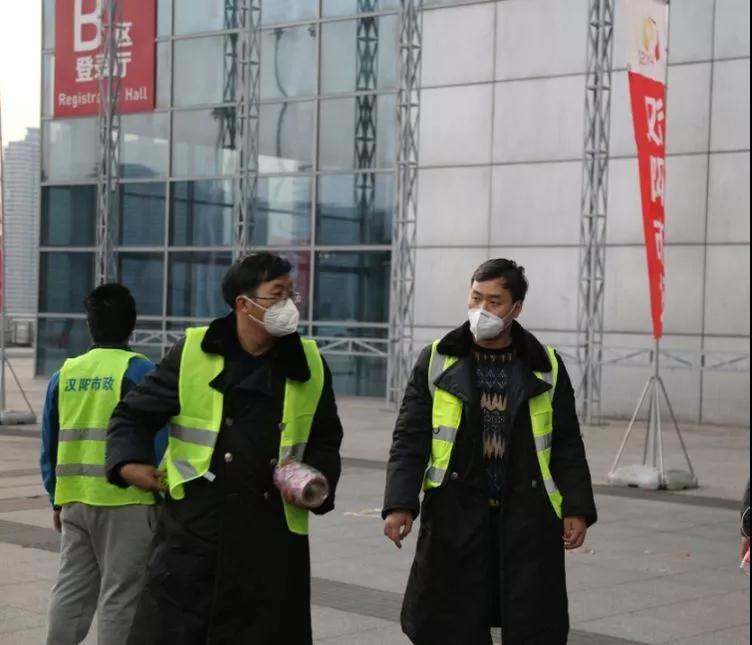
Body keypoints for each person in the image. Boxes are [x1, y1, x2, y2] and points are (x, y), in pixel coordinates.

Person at [106, 252, 344, 645]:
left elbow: (325, 439)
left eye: (291, 294)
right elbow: (132, 415)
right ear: (243, 304)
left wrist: (317, 481)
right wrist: (128, 462)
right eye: (277, 294)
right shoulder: (195, 351)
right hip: (195, 536)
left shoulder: (309, 362)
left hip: (272, 541)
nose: (288, 305)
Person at [382, 258, 598, 645]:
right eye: (475, 297)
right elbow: (410, 438)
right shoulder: (437, 359)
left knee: (531, 622)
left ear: (517, 308)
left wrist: (576, 507)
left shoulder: (545, 366)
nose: (481, 309)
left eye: (494, 301)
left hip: (527, 515)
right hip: (455, 513)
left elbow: (567, 442)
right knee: (451, 624)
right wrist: (400, 504)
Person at [40, 284, 166, 645]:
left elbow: (49, 444)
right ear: (132, 325)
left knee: (71, 590)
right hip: (126, 501)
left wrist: (56, 498)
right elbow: (159, 443)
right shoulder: (141, 371)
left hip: (75, 500)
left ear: (90, 325)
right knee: (121, 596)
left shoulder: (64, 374)